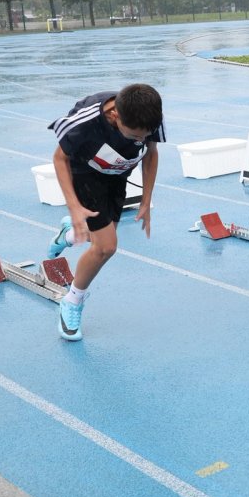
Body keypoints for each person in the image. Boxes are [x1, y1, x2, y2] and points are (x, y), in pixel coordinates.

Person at [46, 84, 165, 341]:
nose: (140, 141)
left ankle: (69, 234)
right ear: (115, 117)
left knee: (95, 236)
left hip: (116, 173)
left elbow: (151, 154)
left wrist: (146, 200)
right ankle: (72, 301)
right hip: (84, 173)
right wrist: (74, 207)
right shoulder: (84, 123)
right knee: (106, 247)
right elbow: (59, 158)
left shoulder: (150, 116)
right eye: (134, 136)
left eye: (143, 137)